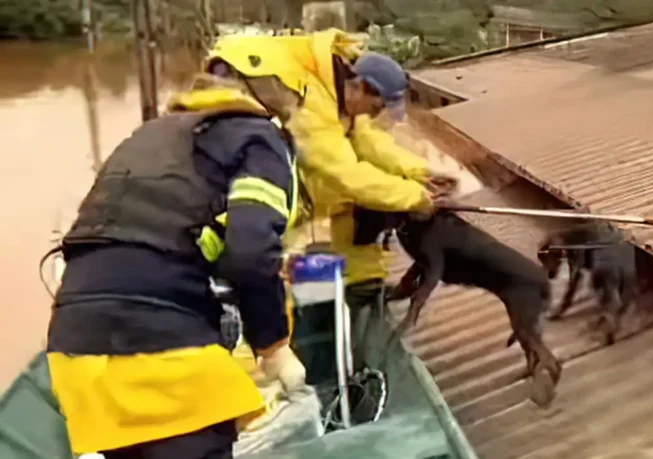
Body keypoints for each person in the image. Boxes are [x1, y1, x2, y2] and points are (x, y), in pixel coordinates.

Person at [46, 54, 306, 458]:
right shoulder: (259, 138)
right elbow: (252, 252)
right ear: (273, 97)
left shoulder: (151, 136)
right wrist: (272, 346)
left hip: (74, 347)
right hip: (162, 348)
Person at [205, 29, 458, 370]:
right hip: (225, 160)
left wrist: (419, 173)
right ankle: (263, 355)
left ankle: (324, 312)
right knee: (252, 253)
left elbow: (368, 140)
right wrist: (415, 199)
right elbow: (346, 174)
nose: (372, 114)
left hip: (247, 138)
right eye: (375, 105)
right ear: (363, 87)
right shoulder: (313, 105)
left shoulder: (338, 82)